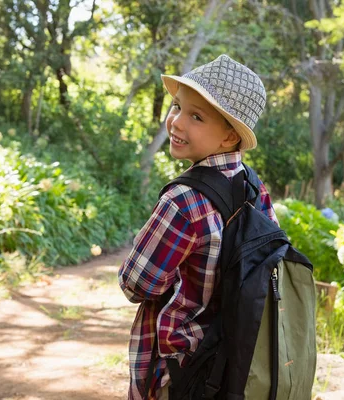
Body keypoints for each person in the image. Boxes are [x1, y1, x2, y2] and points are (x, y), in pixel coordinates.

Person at [118, 54, 279, 400]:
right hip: (232, 366)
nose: (176, 122)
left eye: (196, 116)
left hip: (176, 374)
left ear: (228, 137)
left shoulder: (183, 201)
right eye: (177, 106)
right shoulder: (255, 187)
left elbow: (135, 283)